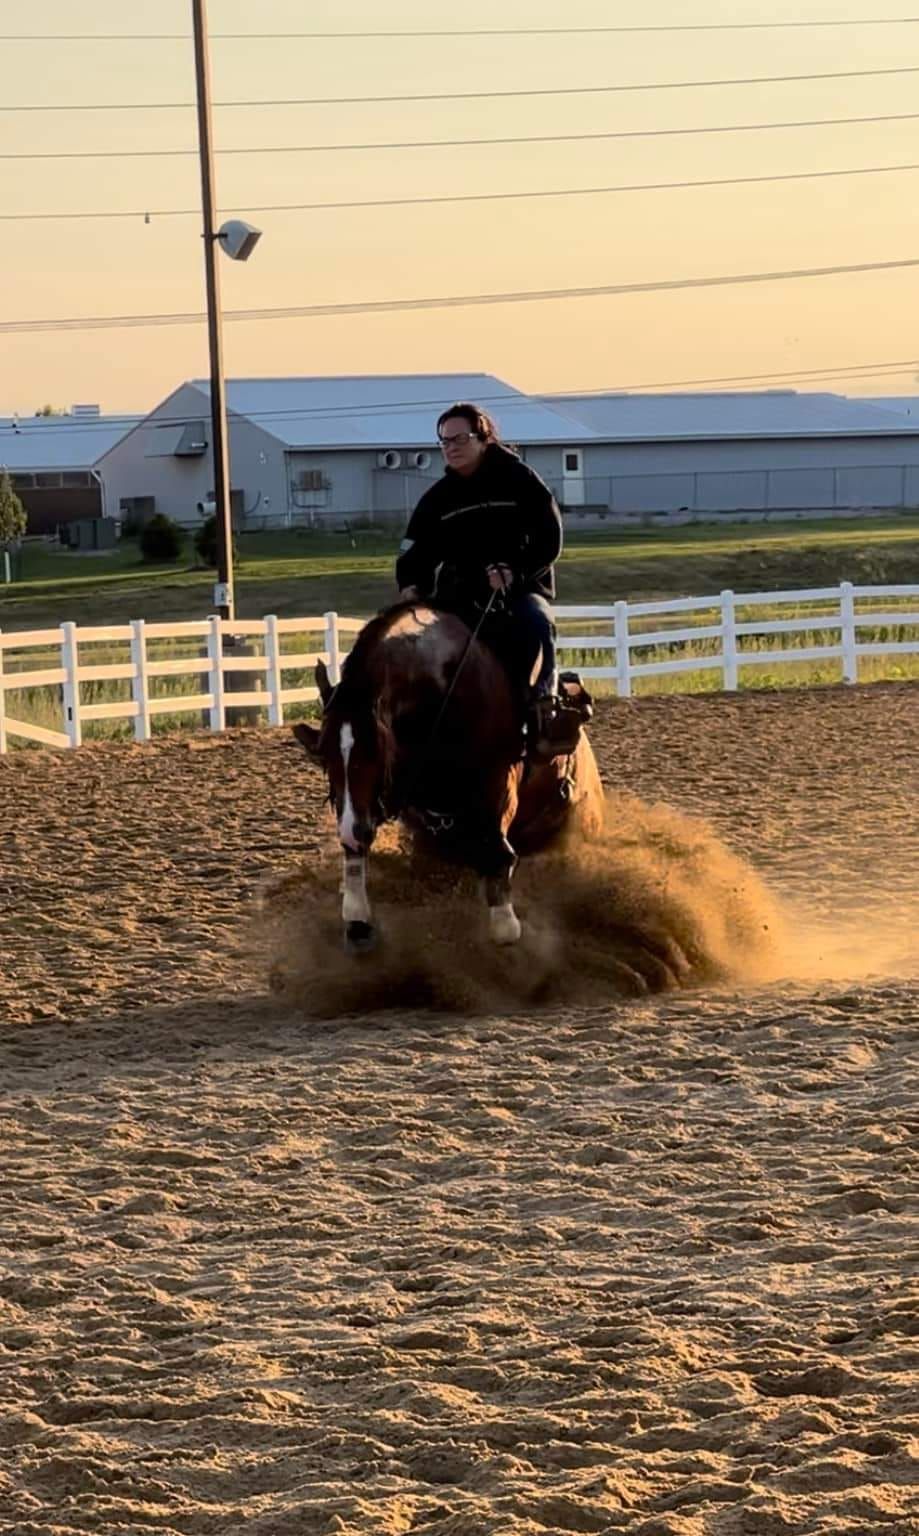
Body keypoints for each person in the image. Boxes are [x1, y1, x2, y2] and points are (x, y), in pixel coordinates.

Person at [395, 402, 591, 761]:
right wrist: (411, 586)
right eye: (443, 441)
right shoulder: (438, 499)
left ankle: (542, 710)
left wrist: (516, 572)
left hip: (517, 593)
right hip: (459, 598)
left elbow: (550, 537)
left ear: (484, 438)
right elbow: (414, 553)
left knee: (538, 623)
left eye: (460, 438)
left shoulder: (521, 481)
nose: (450, 447)